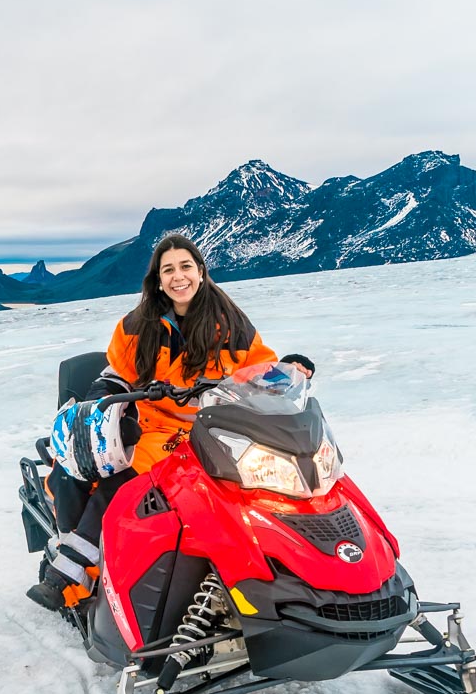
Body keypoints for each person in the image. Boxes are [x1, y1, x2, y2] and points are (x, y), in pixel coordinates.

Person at [28, 233, 314, 611]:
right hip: (152, 426)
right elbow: (118, 373)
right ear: (158, 279)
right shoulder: (136, 325)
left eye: (185, 267)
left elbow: (257, 370)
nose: (178, 277)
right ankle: (70, 572)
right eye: (168, 270)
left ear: (200, 271)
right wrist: (100, 399)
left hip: (212, 428)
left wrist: (288, 370)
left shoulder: (231, 324)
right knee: (126, 486)